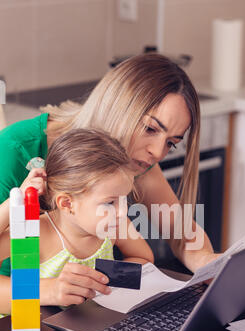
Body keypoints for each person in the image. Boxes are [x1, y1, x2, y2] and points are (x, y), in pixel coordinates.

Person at [0, 53, 219, 311]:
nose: (158, 153)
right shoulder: (16, 150)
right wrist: (47, 290)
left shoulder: (133, 162)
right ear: (117, 109)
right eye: (150, 129)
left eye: (171, 143)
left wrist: (209, 263)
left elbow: (181, 231)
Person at [0, 128, 154, 309]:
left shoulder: (115, 224)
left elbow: (143, 258)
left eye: (124, 199)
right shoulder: (37, 231)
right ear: (67, 203)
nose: (122, 211)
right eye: (110, 202)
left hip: (88, 323)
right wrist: (51, 291)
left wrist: (104, 281)